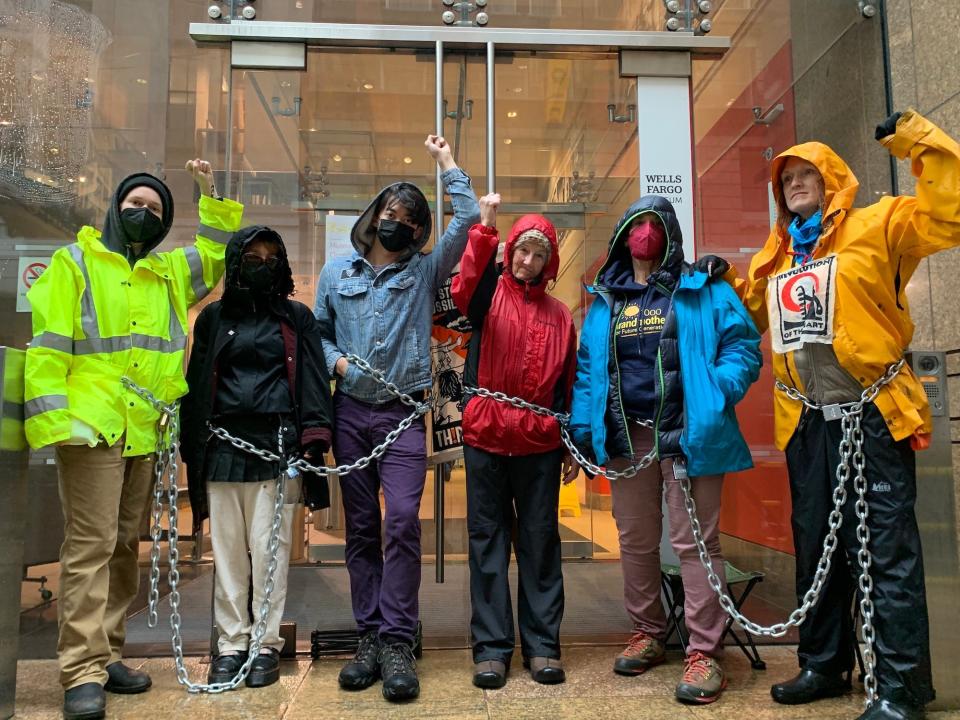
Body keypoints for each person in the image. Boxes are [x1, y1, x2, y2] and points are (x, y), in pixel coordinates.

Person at [699, 110, 960, 720]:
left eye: (804, 172)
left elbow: (949, 213)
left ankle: (899, 687)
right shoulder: (778, 254)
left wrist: (917, 139)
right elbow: (750, 317)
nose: (793, 182)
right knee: (816, 544)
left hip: (872, 412)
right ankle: (823, 664)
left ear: (831, 178)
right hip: (807, 420)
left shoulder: (881, 224)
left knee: (886, 549)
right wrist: (721, 283)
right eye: (784, 177)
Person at [24, 161, 243, 720]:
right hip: (93, 428)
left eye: (154, 209)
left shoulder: (169, 272)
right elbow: (47, 348)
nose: (142, 214)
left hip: (143, 432)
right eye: (135, 204)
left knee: (124, 547)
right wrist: (54, 426)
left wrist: (210, 194)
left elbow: (215, 254)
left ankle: (108, 653)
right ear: (116, 207)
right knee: (90, 548)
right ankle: (81, 671)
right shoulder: (74, 263)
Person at [569, 195, 761, 705]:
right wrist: (584, 430)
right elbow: (589, 369)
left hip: (686, 433)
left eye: (655, 224)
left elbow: (743, 345)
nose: (646, 233)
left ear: (671, 233)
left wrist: (716, 390)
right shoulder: (605, 300)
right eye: (637, 224)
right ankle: (649, 631)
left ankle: (704, 651)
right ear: (621, 236)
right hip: (626, 437)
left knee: (695, 541)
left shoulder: (704, 287)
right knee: (633, 538)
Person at [313, 134, 479, 701]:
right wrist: (334, 360)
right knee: (361, 528)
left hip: (406, 415)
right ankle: (370, 636)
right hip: (351, 413)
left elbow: (471, 217)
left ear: (418, 231)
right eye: (389, 213)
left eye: (408, 219)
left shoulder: (427, 270)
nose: (396, 224)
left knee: (403, 521)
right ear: (372, 217)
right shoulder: (337, 274)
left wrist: (447, 163)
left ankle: (398, 639)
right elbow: (318, 332)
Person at [180, 225, 333, 688]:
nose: (263, 266)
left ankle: (265, 644)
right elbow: (196, 384)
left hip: (276, 445)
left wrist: (313, 440)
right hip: (223, 445)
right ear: (235, 262)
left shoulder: (297, 317)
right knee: (226, 552)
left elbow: (311, 379)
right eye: (253, 257)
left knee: (270, 552)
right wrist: (192, 445)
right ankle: (231, 644)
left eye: (272, 259)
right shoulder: (211, 318)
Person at [450, 194, 578, 689]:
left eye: (538, 253)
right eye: (521, 250)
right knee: (488, 543)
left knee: (541, 543)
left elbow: (567, 383)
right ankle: (492, 649)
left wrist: (570, 442)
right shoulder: (486, 296)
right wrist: (484, 226)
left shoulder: (561, 316)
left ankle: (543, 645)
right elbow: (464, 286)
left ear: (550, 262)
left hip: (541, 441)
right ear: (508, 252)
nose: (528, 260)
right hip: (486, 435)